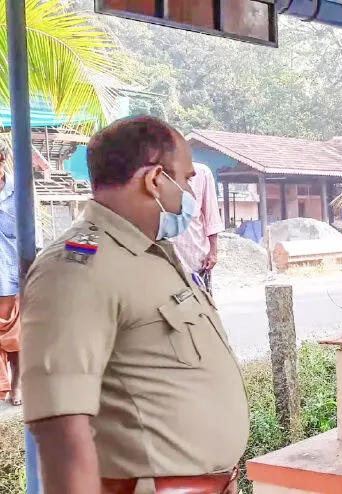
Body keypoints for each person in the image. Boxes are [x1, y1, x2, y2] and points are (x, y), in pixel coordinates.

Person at [20, 116, 249, 494]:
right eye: (187, 178)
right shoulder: (77, 268)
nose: (190, 192)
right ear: (155, 180)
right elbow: (61, 428)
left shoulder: (152, 254)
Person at [171, 161, 224, 294]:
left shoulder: (202, 172)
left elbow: (211, 216)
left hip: (195, 258)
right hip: (166, 259)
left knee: (200, 309)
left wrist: (213, 252)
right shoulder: (153, 171)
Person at [0, 148, 21, 407]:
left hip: (11, 276)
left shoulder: (20, 193)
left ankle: (16, 384)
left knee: (17, 340)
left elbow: (33, 236)